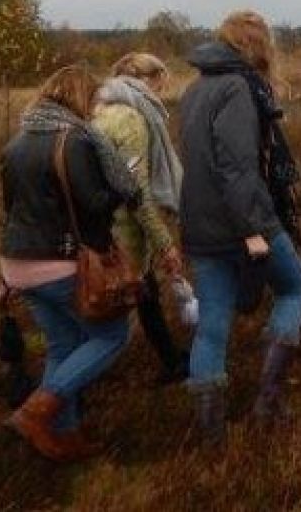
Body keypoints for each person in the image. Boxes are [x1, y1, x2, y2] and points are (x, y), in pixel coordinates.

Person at [178, 11, 301, 446]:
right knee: (294, 287)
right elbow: (237, 168)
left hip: (200, 224)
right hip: (243, 222)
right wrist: (254, 229)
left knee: (214, 320)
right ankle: (268, 401)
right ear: (257, 44)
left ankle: (211, 434)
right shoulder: (237, 87)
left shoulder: (195, 89)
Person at [0, 66, 140, 462]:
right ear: (78, 97)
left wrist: (3, 277)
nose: (95, 107)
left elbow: (9, 211)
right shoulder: (74, 140)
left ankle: (66, 434)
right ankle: (36, 411)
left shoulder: (17, 142)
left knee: (63, 344)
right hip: (60, 262)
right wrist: (121, 187)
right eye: (93, 99)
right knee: (111, 336)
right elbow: (94, 204)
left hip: (17, 264)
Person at [91, 52, 189, 385]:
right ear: (149, 80)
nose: (161, 93)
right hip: (124, 230)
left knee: (145, 295)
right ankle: (70, 384)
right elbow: (138, 189)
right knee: (117, 309)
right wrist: (164, 242)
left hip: (102, 224)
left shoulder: (100, 110)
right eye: (161, 84)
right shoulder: (131, 118)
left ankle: (171, 360)